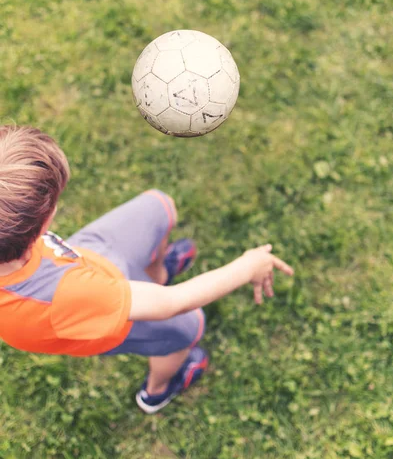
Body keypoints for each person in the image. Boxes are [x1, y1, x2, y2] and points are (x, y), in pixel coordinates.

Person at [0, 124, 294, 413]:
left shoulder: (15, 251)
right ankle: (156, 391)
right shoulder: (71, 296)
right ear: (42, 225)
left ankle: (157, 277)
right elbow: (171, 303)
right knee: (189, 326)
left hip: (83, 258)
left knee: (160, 207)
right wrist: (248, 266)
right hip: (97, 307)